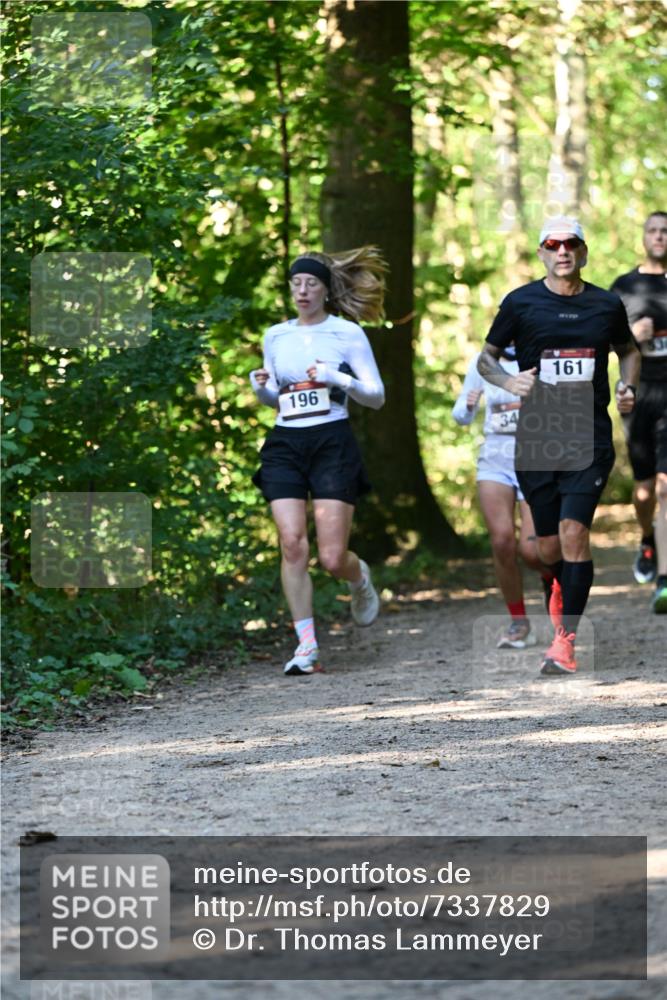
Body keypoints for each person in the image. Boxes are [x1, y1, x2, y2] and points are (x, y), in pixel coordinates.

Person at [478, 217, 641, 675]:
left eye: (571, 244)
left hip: (587, 436)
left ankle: (565, 641)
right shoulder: (521, 302)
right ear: (542, 253)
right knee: (546, 548)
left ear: (583, 252)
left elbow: (628, 351)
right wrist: (509, 380)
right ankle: (556, 586)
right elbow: (486, 359)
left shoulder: (606, 305)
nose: (563, 251)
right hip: (536, 438)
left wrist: (627, 387)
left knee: (574, 534)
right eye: (553, 244)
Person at [250, 247, 386, 676]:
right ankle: (306, 646)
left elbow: (376, 396)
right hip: (286, 442)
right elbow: (277, 398)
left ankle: (358, 576)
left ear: (326, 290)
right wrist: (261, 390)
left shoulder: (346, 333)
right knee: (291, 542)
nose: (303, 290)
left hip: (331, 440)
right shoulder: (276, 336)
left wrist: (336, 377)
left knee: (331, 557)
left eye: (311, 283)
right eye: (296, 283)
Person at [452, 347, 553, 649]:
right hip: (495, 458)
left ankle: (552, 579)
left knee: (534, 551)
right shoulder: (484, 362)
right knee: (501, 541)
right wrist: (468, 406)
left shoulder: (538, 360)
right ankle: (519, 623)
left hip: (535, 457)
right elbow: (459, 416)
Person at [610, 211, 667, 613]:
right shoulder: (624, 287)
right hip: (639, 397)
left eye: (666, 231)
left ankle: (664, 578)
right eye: (653, 230)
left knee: (666, 486)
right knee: (645, 489)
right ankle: (647, 538)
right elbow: (602, 342)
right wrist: (634, 336)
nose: (659, 236)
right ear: (643, 237)